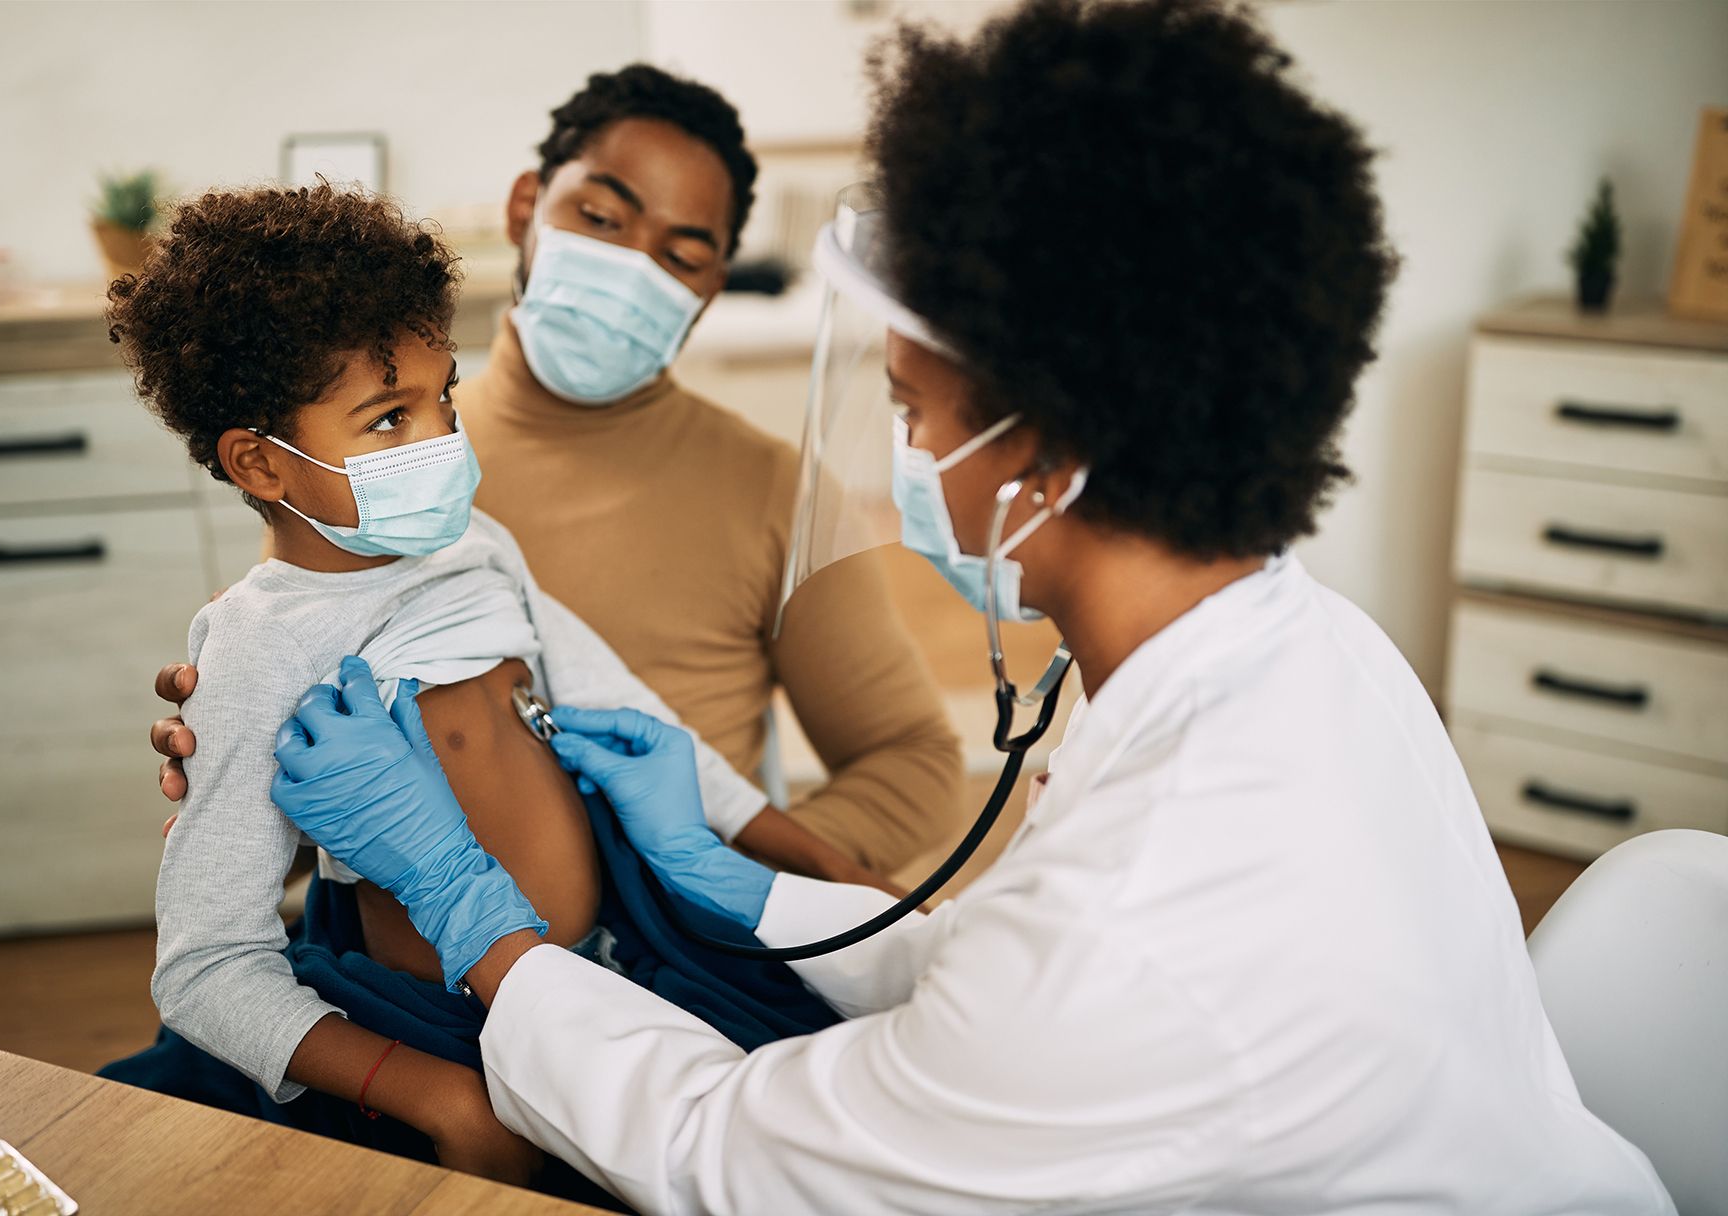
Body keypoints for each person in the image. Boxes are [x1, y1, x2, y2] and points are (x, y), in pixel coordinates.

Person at [260, 1, 1675, 1212]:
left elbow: (724, 1159)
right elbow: (988, 970)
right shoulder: (1312, 650)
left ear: (1047, 461)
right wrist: (747, 882)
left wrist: (477, 920)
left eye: (910, 409)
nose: (903, 459)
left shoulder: (1139, 931)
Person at [96, 184, 846, 1192]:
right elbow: (205, 964)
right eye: (389, 417)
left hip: (619, 966)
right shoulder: (255, 647)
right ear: (260, 464)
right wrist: (435, 1095)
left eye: (445, 397)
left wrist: (845, 891)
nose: (444, 440)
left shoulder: (479, 547)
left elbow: (655, 738)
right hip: (441, 1033)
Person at [149, 64, 963, 883]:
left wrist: (708, 882)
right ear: (525, 207)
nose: (630, 268)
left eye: (681, 255)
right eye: (601, 217)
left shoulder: (774, 487)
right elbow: (301, 819)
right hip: (450, 969)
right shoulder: (362, 473)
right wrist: (247, 788)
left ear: (712, 289)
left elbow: (913, 761)